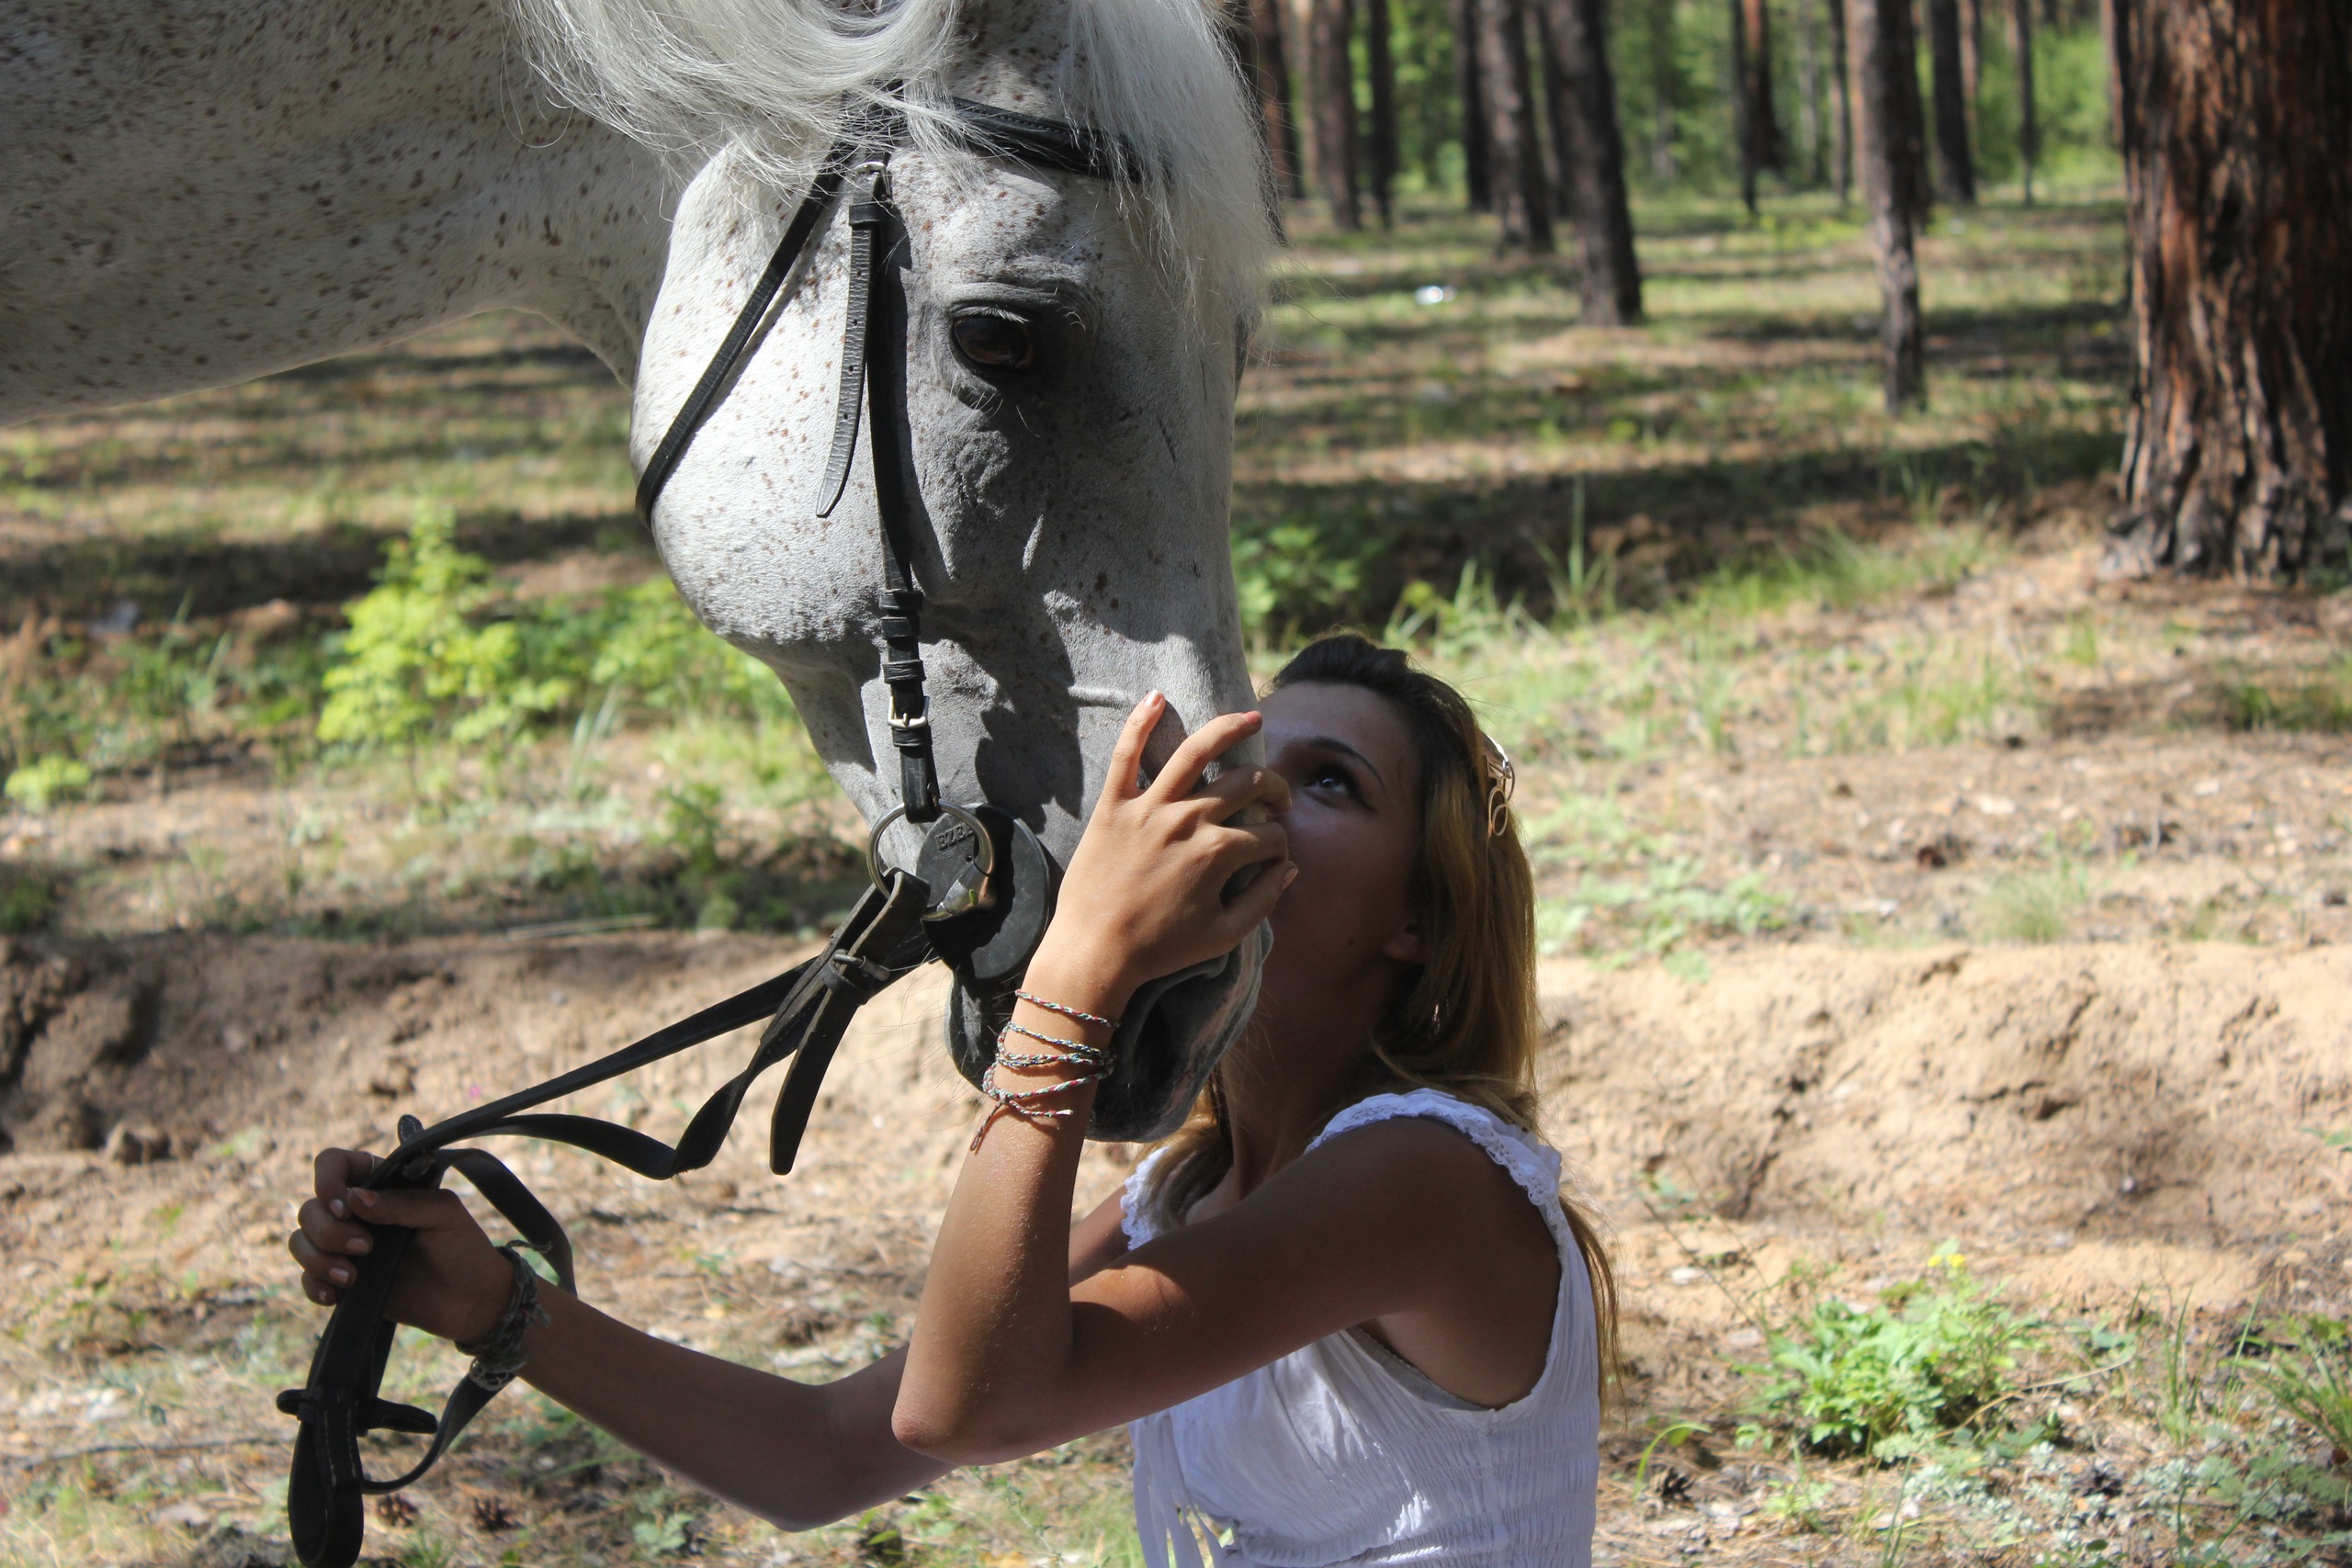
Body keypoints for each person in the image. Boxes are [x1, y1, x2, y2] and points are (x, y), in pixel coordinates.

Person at [288, 632, 1616, 1565]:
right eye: (1252, 751)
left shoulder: (1429, 1177)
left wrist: (1080, 971)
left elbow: (968, 1410)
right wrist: (493, 1306)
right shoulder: (1183, 1196)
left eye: (1331, 783)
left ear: (1420, 922)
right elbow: (820, 1455)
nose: (1251, 794)